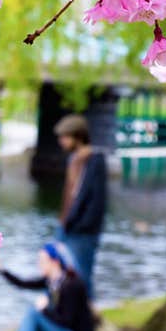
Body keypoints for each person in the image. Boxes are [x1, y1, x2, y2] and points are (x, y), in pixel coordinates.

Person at [0, 242, 96, 331]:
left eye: (42, 261)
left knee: (34, 312)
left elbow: (66, 322)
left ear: (55, 262)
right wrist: (1, 270)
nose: (39, 264)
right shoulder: (51, 281)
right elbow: (23, 283)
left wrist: (44, 309)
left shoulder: (72, 284)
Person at [54, 114, 107, 299]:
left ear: (78, 136)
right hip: (66, 226)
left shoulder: (94, 160)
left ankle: (88, 321)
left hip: (83, 232)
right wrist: (64, 223)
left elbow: (97, 200)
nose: (61, 141)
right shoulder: (73, 160)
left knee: (82, 276)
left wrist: (83, 226)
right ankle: (66, 315)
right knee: (60, 273)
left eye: (65, 137)